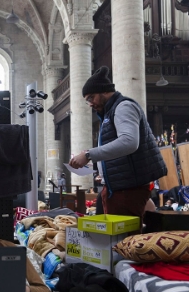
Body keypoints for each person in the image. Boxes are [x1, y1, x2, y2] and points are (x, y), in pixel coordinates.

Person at [69, 66, 167, 230]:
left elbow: (129, 142)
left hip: (128, 188)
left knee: (123, 241)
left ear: (104, 91)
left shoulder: (123, 107)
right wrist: (104, 172)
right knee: (115, 240)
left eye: (91, 97)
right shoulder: (110, 112)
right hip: (119, 187)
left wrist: (88, 154)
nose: (90, 103)